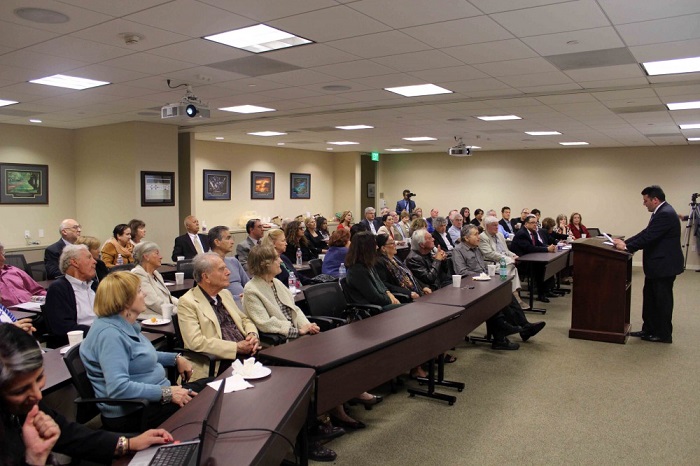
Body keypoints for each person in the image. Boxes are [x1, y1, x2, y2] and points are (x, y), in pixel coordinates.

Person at [0, 324, 174, 466]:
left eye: (39, 378)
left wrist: (128, 444)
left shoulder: (27, 404)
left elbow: (68, 433)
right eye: (20, 391)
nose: (37, 395)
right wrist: (35, 459)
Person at [80, 272, 205, 432]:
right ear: (125, 301)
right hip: (135, 412)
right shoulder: (109, 335)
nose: (144, 293)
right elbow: (118, 388)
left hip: (154, 399)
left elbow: (142, 356)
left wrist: (175, 358)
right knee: (205, 402)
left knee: (211, 385)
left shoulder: (124, 324)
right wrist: (166, 392)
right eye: (139, 291)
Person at [452, 225, 545, 350]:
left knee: (505, 293)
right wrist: (482, 275)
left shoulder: (476, 248)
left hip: (484, 281)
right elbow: (462, 271)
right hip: (471, 285)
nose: (479, 237)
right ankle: (504, 333)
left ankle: (523, 327)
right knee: (496, 299)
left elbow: (483, 267)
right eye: (475, 234)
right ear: (466, 238)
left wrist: (488, 274)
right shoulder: (458, 250)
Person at [613, 185, 683, 343]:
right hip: (657, 266)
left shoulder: (665, 213)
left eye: (645, 201)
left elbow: (650, 237)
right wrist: (626, 242)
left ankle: (663, 334)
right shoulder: (662, 212)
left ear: (655, 199)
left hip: (664, 266)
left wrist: (627, 247)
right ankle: (649, 329)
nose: (644, 204)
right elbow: (646, 232)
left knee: (661, 301)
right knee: (651, 298)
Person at [177, 253, 260, 381]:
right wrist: (236, 347)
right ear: (206, 277)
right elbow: (195, 342)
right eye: (222, 269)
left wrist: (252, 334)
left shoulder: (225, 294)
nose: (228, 272)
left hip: (246, 353)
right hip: (219, 362)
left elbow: (244, 319)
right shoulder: (188, 302)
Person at [243, 245, 320, 339]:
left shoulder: (277, 282)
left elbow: (294, 310)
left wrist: (308, 326)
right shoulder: (251, 289)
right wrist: (298, 331)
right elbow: (264, 323)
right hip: (284, 340)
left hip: (298, 335)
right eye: (276, 258)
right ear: (265, 264)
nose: (281, 261)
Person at [44, 245, 97, 346]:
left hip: (102, 337)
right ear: (74, 262)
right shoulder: (58, 289)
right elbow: (63, 327)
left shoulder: (94, 285)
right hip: (79, 343)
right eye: (89, 257)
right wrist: (99, 331)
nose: (95, 261)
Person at [479, 216, 529, 310]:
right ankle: (514, 296)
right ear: (487, 226)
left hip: (504, 261)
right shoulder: (483, 237)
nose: (496, 227)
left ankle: (512, 296)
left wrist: (513, 255)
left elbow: (506, 250)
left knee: (511, 268)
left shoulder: (500, 235)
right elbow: (489, 254)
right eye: (494, 225)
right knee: (509, 268)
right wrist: (508, 259)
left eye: (497, 225)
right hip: (492, 263)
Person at [343, 232, 402, 311]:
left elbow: (380, 284)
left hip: (381, 303)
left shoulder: (368, 264)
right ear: (367, 248)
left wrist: (389, 293)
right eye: (374, 245)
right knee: (408, 309)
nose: (377, 247)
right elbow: (374, 296)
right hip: (373, 309)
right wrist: (390, 300)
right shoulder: (357, 271)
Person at [510, 215, 557, 302]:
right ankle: (541, 293)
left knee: (547, 264)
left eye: (536, 223)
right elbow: (530, 248)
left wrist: (549, 247)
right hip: (521, 262)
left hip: (531, 259)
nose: (535, 225)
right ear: (526, 224)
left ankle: (547, 290)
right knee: (540, 267)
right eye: (532, 223)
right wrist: (547, 249)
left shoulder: (533, 232)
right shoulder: (522, 234)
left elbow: (539, 244)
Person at [375, 234, 431, 300]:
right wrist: (408, 293)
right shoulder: (379, 263)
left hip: (416, 291)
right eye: (392, 243)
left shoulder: (395, 258)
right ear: (383, 248)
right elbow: (385, 285)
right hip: (404, 296)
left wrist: (423, 286)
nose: (395, 245)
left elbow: (409, 275)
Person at [131, 242, 178, 318]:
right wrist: (179, 311)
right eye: (157, 254)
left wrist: (183, 305)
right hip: (152, 318)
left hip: (166, 313)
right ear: (146, 257)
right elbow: (153, 302)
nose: (161, 257)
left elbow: (169, 297)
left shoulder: (156, 273)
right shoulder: (138, 274)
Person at [208, 226, 249, 307]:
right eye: (228, 238)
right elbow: (213, 294)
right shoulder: (208, 264)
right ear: (217, 242)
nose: (232, 242)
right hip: (227, 305)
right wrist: (239, 297)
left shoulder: (233, 261)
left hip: (245, 301)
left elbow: (248, 284)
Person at [0, 241, 45, 307]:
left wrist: (51, 297)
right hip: (13, 315)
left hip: (34, 308)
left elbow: (38, 291)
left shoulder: (14, 270)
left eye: (2, 254)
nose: (3, 259)